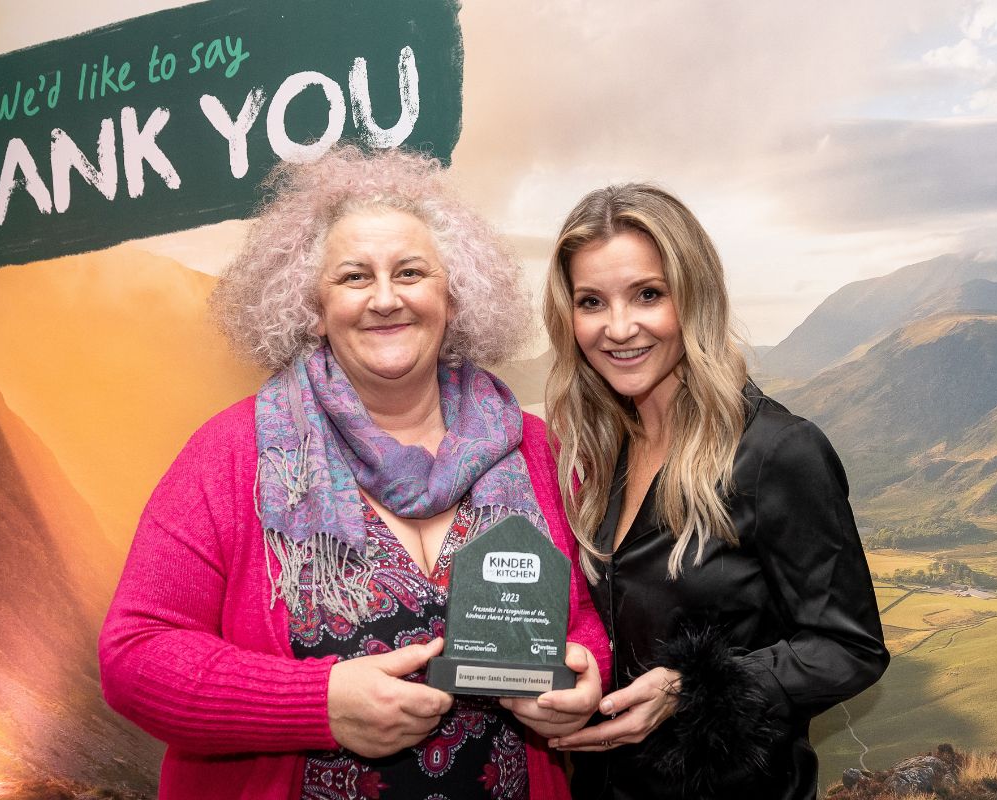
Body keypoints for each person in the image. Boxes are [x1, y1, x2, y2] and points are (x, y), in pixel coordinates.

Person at [98, 146, 609, 800]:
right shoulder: (232, 455)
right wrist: (318, 703)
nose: (386, 298)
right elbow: (135, 655)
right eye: (354, 277)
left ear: (454, 297)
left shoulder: (535, 450)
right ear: (311, 306)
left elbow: (588, 617)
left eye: (412, 271)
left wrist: (580, 676)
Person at [540, 183, 889, 799]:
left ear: (694, 296)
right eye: (591, 301)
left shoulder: (778, 453)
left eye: (648, 294)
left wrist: (692, 687)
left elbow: (849, 648)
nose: (619, 328)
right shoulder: (595, 452)